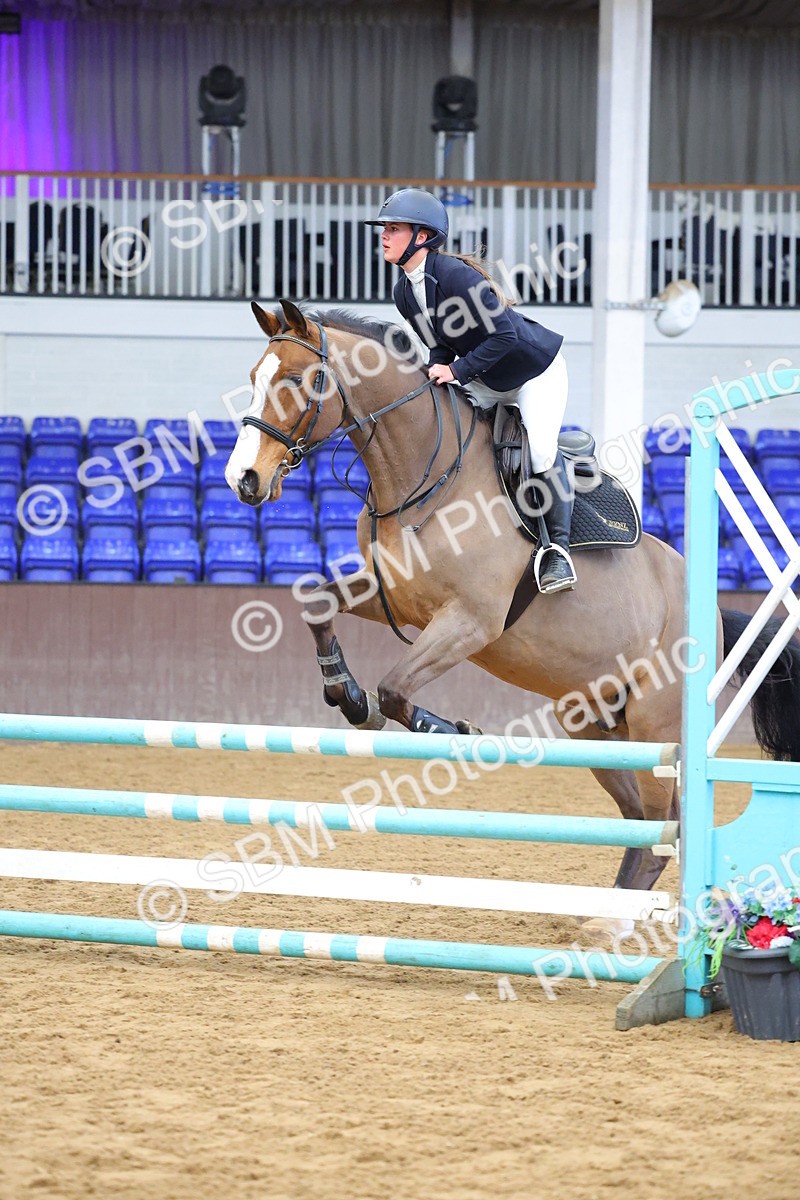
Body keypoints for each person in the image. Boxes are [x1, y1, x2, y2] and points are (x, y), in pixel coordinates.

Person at [366, 187, 576, 594]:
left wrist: (456, 370)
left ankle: (558, 553)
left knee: (543, 451)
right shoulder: (403, 292)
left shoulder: (455, 275)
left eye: (394, 228)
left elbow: (505, 334)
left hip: (534, 372)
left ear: (422, 237)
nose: (384, 236)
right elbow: (440, 342)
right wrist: (434, 366)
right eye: (384, 229)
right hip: (486, 376)